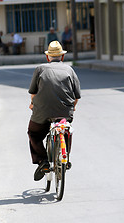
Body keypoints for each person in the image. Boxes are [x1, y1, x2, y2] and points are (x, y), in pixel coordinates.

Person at [28, 41, 81, 181]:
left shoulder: (40, 69)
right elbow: (76, 96)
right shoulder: (70, 70)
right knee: (66, 130)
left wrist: (33, 104)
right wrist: (72, 107)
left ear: (48, 57)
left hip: (42, 112)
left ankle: (42, 161)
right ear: (62, 57)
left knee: (34, 133)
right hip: (65, 112)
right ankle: (65, 156)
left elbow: (33, 93)